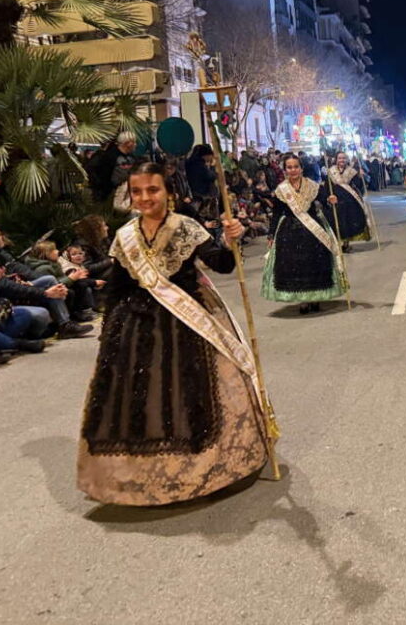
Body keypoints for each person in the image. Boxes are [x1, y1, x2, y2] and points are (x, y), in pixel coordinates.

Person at [78, 162, 269, 506]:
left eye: (152, 190)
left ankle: (204, 470)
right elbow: (119, 286)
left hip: (188, 323)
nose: (145, 198)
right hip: (136, 327)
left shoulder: (186, 227)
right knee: (140, 403)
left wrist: (230, 239)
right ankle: (140, 479)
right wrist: (110, 333)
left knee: (191, 396)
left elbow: (222, 263)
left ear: (169, 193)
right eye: (137, 192)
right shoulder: (125, 237)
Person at [262, 155, 347, 314]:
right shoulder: (281, 190)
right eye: (289, 167)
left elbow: (325, 201)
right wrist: (271, 234)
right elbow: (276, 214)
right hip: (289, 232)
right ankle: (302, 300)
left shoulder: (313, 186)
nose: (293, 170)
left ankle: (316, 297)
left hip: (313, 231)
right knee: (296, 266)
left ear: (301, 168)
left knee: (314, 264)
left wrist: (331, 200)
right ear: (285, 169)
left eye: (296, 167)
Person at [0, 224, 92, 339]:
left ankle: (65, 324)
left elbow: (22, 270)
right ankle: (38, 333)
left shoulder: (1, 254)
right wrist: (45, 292)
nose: (3, 237)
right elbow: (6, 286)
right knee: (42, 313)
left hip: (17, 286)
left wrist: (52, 286)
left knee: (49, 280)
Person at [324, 152, 372, 252]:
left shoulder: (352, 171)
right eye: (340, 158)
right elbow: (327, 186)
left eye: (344, 158)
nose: (342, 160)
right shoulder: (331, 171)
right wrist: (329, 196)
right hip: (336, 200)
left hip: (349, 201)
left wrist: (360, 177)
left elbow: (358, 186)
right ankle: (337, 244)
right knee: (337, 222)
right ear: (336, 159)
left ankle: (346, 244)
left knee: (347, 222)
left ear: (347, 160)